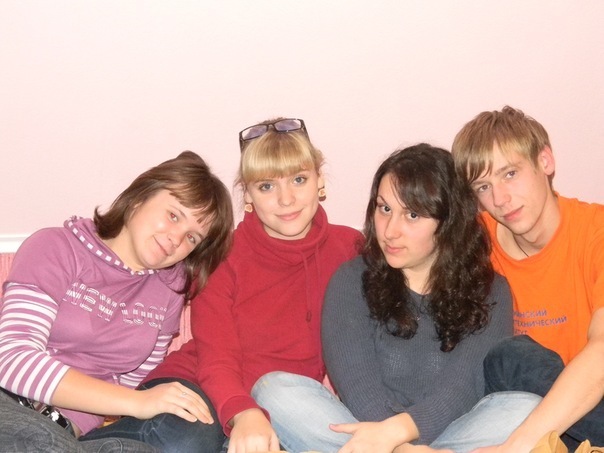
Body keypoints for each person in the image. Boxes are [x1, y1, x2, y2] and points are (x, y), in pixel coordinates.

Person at [82, 117, 363, 453]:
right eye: (266, 186)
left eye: (299, 179)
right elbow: (216, 353)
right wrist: (243, 413)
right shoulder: (223, 254)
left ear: (320, 180)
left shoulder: (351, 248)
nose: (286, 199)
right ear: (248, 196)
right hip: (199, 387)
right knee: (188, 442)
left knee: (275, 402)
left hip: (284, 408)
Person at [254, 143, 529, 453]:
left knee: (526, 409)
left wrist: (399, 436)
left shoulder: (490, 290)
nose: (390, 231)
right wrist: (400, 448)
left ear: (449, 222)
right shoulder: (352, 279)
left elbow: (462, 388)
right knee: (274, 390)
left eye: (412, 215)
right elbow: (358, 386)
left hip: (450, 433)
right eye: (384, 209)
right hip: (367, 432)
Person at [0, 151, 233, 452]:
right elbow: (12, 359)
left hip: (71, 436)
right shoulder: (56, 247)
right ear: (138, 198)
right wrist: (138, 402)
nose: (176, 239)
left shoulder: (168, 292)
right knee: (41, 441)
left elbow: (129, 381)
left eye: (192, 238)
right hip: (10, 406)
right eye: (173, 216)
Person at [448, 106, 604, 452]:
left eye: (510, 174)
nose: (500, 199)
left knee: (514, 355)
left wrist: (515, 446)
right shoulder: (473, 246)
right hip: (524, 415)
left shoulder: (596, 232)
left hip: (578, 411)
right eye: (483, 186)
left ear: (545, 161)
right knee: (508, 358)